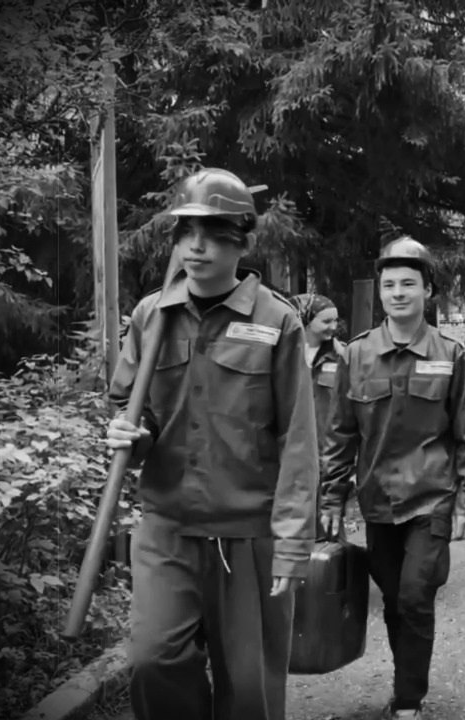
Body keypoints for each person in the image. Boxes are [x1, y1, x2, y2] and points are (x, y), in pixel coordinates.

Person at [104, 168, 317, 720]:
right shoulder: (151, 316)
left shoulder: (276, 321)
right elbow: (136, 412)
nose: (196, 247)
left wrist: (292, 544)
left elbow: (298, 439)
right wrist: (132, 433)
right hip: (168, 529)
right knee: (154, 661)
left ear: (241, 241)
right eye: (186, 232)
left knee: (248, 690)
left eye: (213, 234)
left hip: (246, 536)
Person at [319, 236, 465, 720]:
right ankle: (405, 684)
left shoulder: (451, 354)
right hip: (378, 500)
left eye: (408, 284)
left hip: (431, 497)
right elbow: (340, 433)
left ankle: (409, 701)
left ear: (427, 290)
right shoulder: (356, 355)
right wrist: (331, 498)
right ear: (380, 292)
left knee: (415, 595)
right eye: (389, 285)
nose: (398, 293)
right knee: (396, 599)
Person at [290, 293, 342, 444]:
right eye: (326, 322)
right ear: (305, 321)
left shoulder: (342, 356)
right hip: (292, 444)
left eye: (335, 321)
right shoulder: (285, 355)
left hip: (327, 447)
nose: (333, 327)